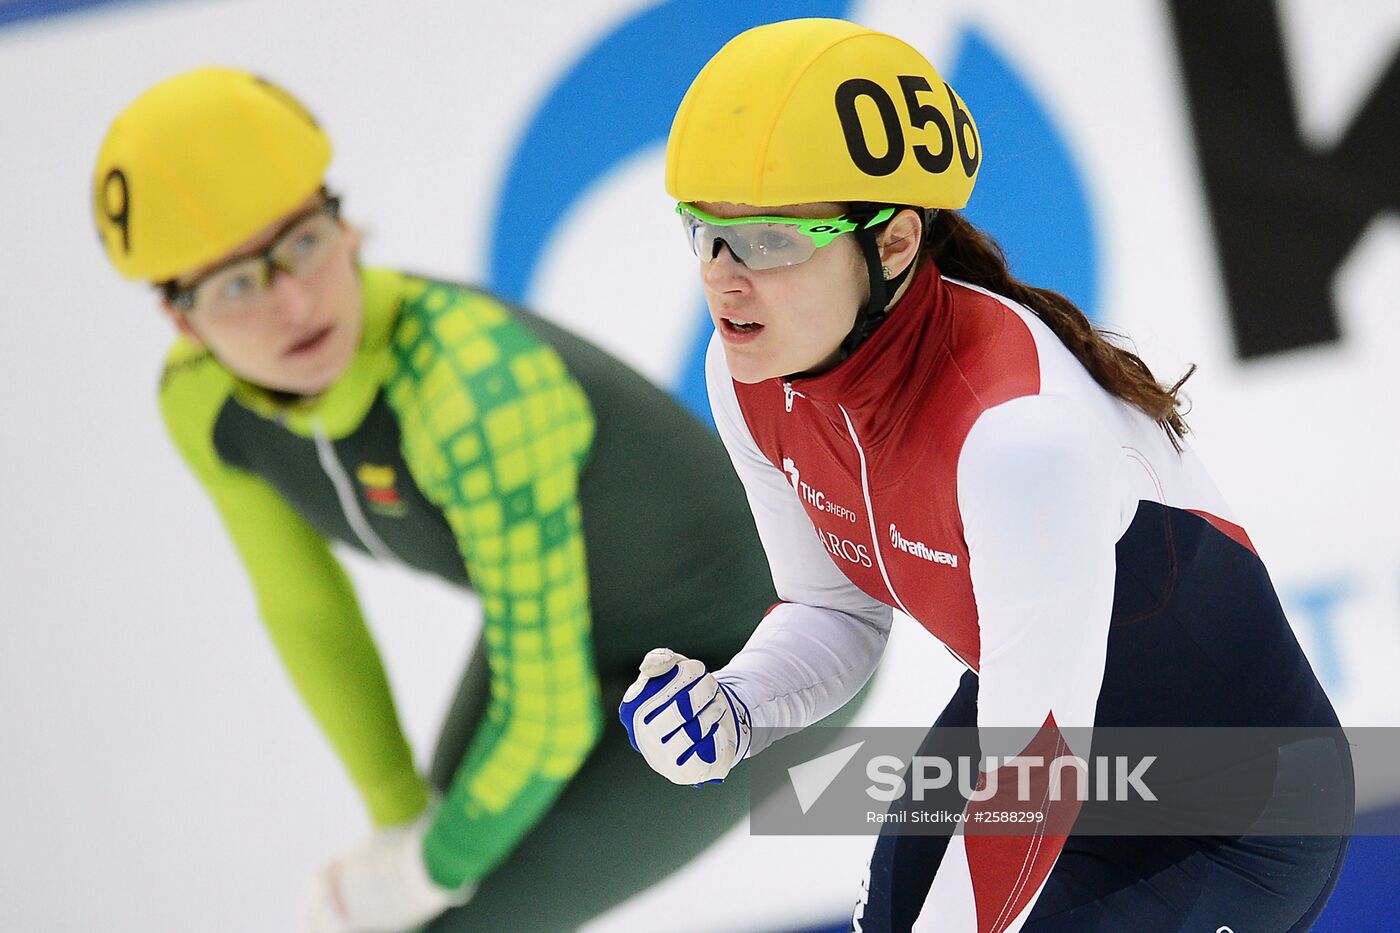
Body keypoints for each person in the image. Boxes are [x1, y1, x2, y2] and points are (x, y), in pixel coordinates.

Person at [619, 18, 1354, 933]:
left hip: (1228, 819)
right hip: (1043, 748)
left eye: (770, 242)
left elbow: (1038, 766)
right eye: (704, 233)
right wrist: (739, 701)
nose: (724, 283)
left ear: (891, 245)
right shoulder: (748, 376)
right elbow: (837, 609)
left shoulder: (1017, 439)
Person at [92, 67, 787, 933]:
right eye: (234, 285)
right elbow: (307, 609)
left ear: (345, 226)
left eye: (302, 241)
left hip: (756, 658)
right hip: (577, 632)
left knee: (462, 921)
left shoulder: (470, 393)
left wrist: (424, 865)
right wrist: (395, 821)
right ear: (181, 322)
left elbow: (547, 714)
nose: (292, 302)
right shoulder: (200, 402)